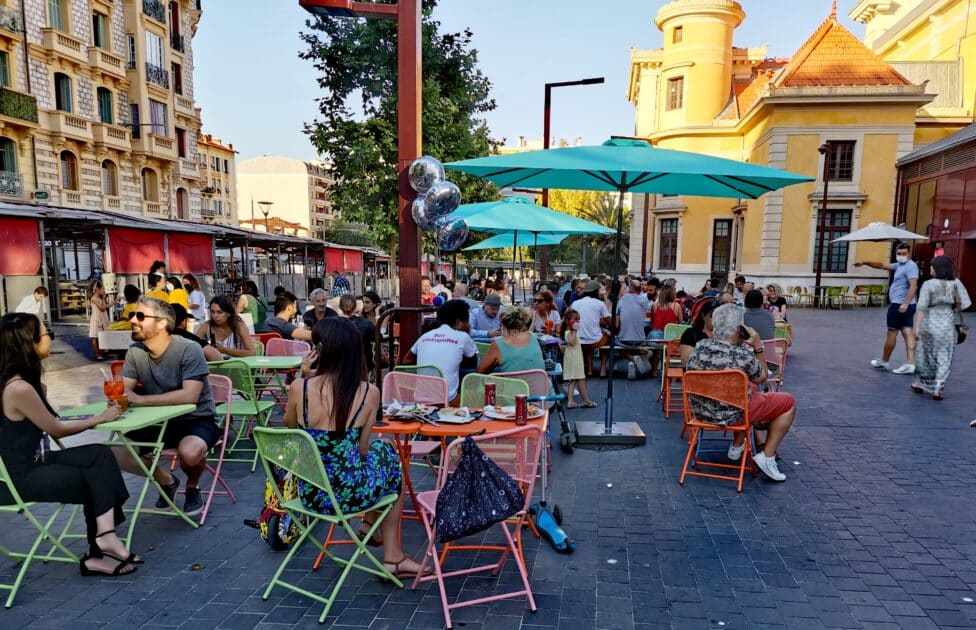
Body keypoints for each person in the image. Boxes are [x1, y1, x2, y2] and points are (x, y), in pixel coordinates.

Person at [284, 318, 427, 579]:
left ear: (319, 351)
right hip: (349, 496)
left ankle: (371, 525)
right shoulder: (368, 392)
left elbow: (290, 429)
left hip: (310, 494)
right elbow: (362, 451)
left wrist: (306, 377)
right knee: (387, 454)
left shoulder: (298, 389)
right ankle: (390, 552)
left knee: (382, 457)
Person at [0, 313, 140, 577]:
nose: (51, 340)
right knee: (95, 478)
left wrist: (41, 391)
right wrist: (101, 417)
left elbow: (47, 427)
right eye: (46, 335)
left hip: (35, 462)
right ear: (28, 344)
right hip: (19, 478)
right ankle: (100, 547)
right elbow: (57, 430)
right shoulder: (18, 388)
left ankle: (103, 543)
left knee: (99, 455)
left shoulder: (24, 383)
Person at [117, 297, 220, 516]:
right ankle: (167, 481)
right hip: (157, 421)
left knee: (190, 453)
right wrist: (118, 397)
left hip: (197, 418)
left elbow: (190, 396)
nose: (133, 320)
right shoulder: (135, 351)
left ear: (162, 323)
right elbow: (124, 392)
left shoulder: (188, 349)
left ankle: (192, 486)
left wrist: (140, 399)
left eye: (141, 316)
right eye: (132, 316)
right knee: (116, 452)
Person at [686, 304, 796, 482]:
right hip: (733, 414)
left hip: (702, 413)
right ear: (739, 328)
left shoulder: (699, 349)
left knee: (748, 388)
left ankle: (738, 445)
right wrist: (758, 346)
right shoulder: (741, 356)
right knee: (788, 401)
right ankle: (767, 456)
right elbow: (762, 377)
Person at [911, 256, 971, 400]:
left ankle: (920, 383)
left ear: (938, 268)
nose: (930, 269)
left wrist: (916, 328)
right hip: (946, 327)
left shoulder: (928, 284)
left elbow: (921, 308)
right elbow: (966, 304)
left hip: (928, 325)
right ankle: (938, 389)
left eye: (932, 266)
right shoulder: (957, 283)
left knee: (924, 356)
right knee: (944, 356)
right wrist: (950, 307)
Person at [855, 242, 919, 374]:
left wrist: (905, 303)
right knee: (907, 331)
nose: (901, 256)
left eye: (904, 253)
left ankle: (885, 361)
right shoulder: (900, 265)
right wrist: (865, 262)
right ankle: (910, 363)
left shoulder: (910, 267)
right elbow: (882, 265)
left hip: (899, 305)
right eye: (898, 253)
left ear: (909, 253)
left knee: (892, 332)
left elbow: (913, 286)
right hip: (906, 304)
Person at [402, 300, 477, 403]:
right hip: (448, 400)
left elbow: (406, 361)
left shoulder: (425, 336)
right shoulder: (463, 337)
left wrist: (428, 366)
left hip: (419, 399)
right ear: (459, 322)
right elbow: (472, 365)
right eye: (467, 322)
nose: (469, 325)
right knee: (473, 385)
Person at [573, 279, 611, 378]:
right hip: (595, 341)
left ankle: (589, 370)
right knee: (607, 336)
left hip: (579, 340)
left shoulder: (575, 303)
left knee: (588, 336)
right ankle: (603, 369)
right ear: (596, 291)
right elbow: (609, 322)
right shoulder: (600, 304)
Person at [560, 309, 595, 408]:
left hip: (573, 356)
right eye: (575, 320)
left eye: (578, 320)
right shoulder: (570, 332)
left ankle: (570, 401)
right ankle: (586, 400)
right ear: (568, 321)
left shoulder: (568, 331)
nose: (577, 322)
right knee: (581, 379)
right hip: (575, 358)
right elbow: (571, 342)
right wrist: (575, 330)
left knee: (573, 380)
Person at [339, 294, 376, 371]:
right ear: (355, 307)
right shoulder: (366, 323)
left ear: (340, 307)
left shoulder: (333, 324)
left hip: (339, 365)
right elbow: (378, 338)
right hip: (363, 364)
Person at [679, 298, 719, 367]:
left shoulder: (724, 335)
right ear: (703, 315)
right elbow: (685, 363)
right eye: (712, 316)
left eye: (719, 317)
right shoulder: (690, 334)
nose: (716, 320)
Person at [617, 279, 650, 346]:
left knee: (612, 341)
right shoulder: (644, 299)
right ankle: (637, 355)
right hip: (640, 341)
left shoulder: (623, 299)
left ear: (630, 289)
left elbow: (616, 325)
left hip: (624, 340)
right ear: (640, 289)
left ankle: (630, 356)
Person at [88, 280, 109, 360]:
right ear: (97, 289)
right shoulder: (94, 298)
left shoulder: (97, 298)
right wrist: (103, 298)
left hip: (99, 319)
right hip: (96, 320)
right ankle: (98, 354)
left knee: (99, 337)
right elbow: (103, 308)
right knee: (95, 337)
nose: (103, 291)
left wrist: (116, 300)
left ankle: (102, 353)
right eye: (102, 289)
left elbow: (105, 306)